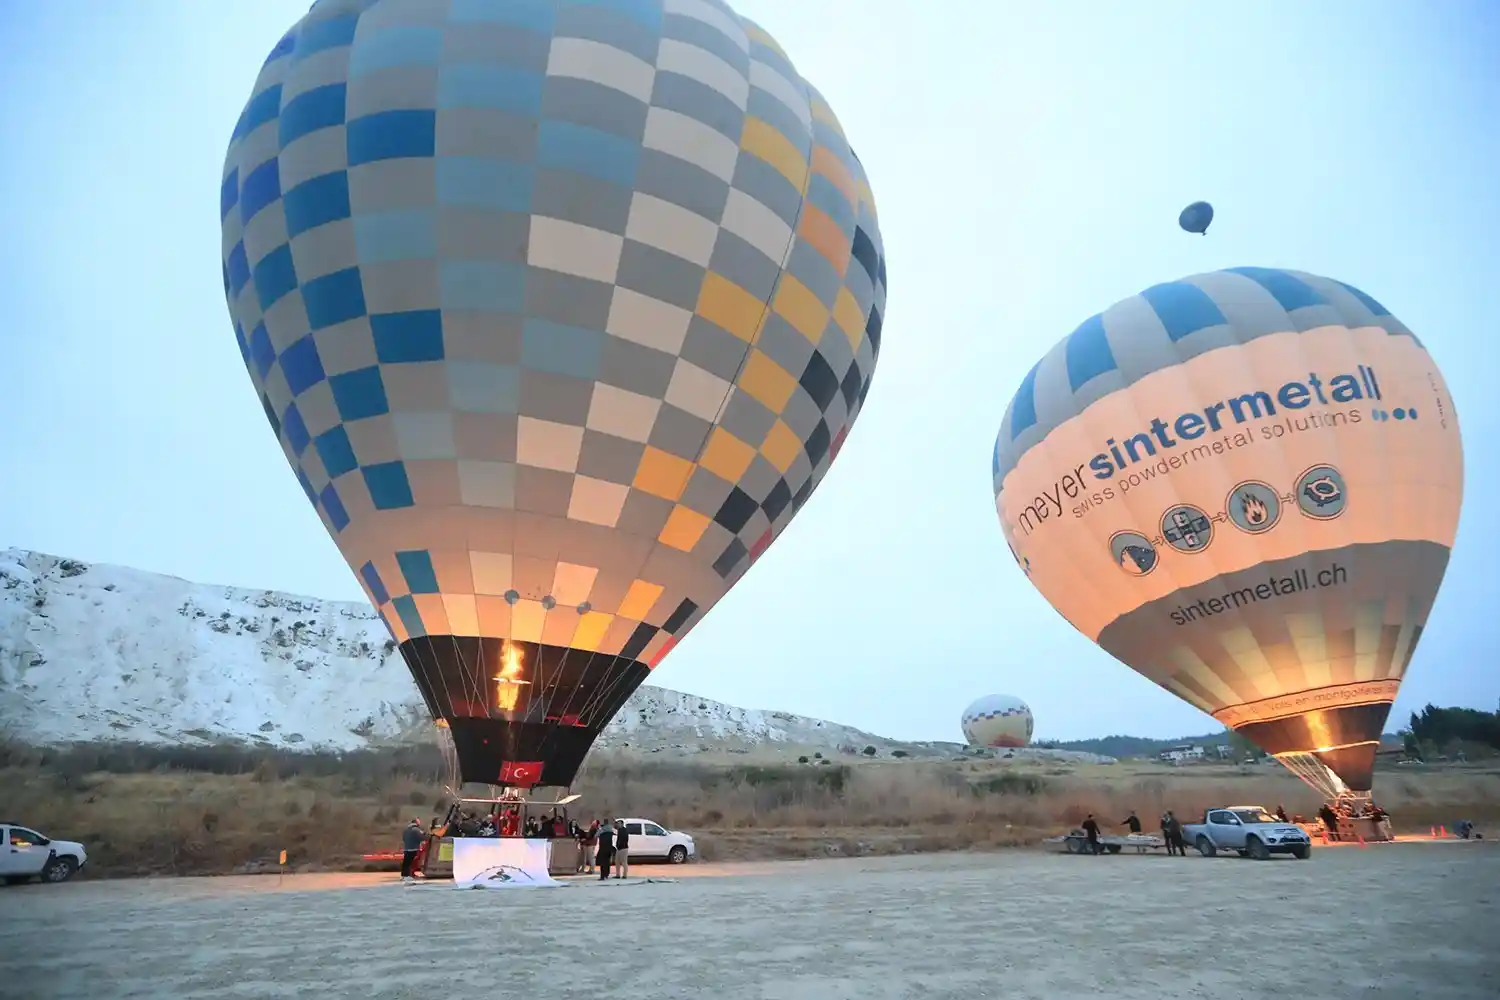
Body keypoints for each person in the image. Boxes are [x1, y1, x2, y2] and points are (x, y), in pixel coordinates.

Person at [400, 818, 425, 882]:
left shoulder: (406, 830)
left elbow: (403, 838)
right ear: (416, 823)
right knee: (411, 863)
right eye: (419, 822)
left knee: (405, 863)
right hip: (413, 849)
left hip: (406, 848)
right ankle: (407, 876)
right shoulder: (416, 830)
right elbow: (422, 837)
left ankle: (403, 876)